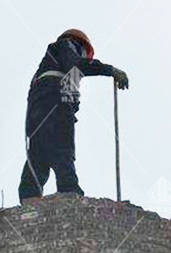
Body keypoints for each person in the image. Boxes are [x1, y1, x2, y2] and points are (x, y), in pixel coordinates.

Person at [18, 29, 128, 203]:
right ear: (81, 45)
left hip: (39, 109)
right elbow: (77, 65)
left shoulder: (53, 63)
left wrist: (69, 111)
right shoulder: (67, 46)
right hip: (53, 104)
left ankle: (29, 198)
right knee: (62, 147)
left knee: (39, 153)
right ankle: (70, 194)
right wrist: (110, 70)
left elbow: (68, 95)